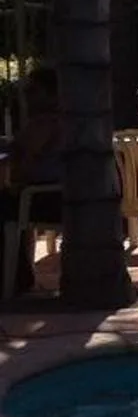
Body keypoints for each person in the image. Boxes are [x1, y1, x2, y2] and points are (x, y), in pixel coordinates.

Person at [2, 65, 63, 293]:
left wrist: (17, 181)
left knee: (7, 205)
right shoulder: (68, 120)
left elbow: (23, 155)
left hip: (48, 198)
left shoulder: (46, 122)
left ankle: (14, 278)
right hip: (52, 195)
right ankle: (19, 276)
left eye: (33, 91)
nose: (27, 97)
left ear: (51, 94)